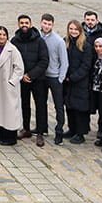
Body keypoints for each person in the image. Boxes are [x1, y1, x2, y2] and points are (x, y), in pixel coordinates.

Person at [11, 15, 49, 147]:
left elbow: (44, 61)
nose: (24, 25)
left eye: (26, 23)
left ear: (31, 24)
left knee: (40, 105)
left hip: (38, 79)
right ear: (18, 25)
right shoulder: (15, 41)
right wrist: (21, 75)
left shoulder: (39, 41)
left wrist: (31, 75)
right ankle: (26, 128)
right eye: (21, 23)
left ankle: (40, 132)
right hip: (22, 79)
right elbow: (12, 60)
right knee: (24, 104)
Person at [0, 26, 25, 146]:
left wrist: (12, 81)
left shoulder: (12, 50)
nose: (1, 37)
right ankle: (2, 135)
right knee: (1, 111)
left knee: (10, 112)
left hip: (8, 86)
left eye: (4, 35)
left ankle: (11, 137)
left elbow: (19, 68)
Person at [37, 14, 68, 144]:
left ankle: (59, 131)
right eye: (45, 23)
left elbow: (64, 62)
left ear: (53, 25)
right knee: (41, 103)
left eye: (49, 24)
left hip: (54, 77)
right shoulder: (37, 37)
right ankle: (42, 128)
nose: (46, 26)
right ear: (41, 23)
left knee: (58, 106)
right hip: (41, 77)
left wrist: (60, 78)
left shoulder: (59, 41)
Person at [63, 21, 93, 144]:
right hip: (67, 80)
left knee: (80, 108)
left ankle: (81, 133)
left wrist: (74, 77)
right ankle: (72, 129)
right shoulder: (66, 42)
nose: (73, 31)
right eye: (71, 29)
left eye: (76, 29)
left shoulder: (85, 45)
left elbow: (86, 65)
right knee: (69, 106)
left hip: (80, 81)